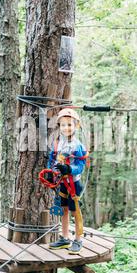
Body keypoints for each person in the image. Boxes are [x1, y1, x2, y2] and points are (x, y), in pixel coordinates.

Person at [47, 108, 87, 254]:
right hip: (62, 183)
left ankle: (78, 239)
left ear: (76, 126)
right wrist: (51, 172)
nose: (66, 128)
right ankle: (64, 238)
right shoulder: (57, 144)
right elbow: (52, 159)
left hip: (74, 184)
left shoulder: (78, 146)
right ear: (59, 126)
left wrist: (69, 169)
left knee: (74, 210)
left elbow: (80, 166)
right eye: (63, 125)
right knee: (63, 210)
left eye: (69, 124)